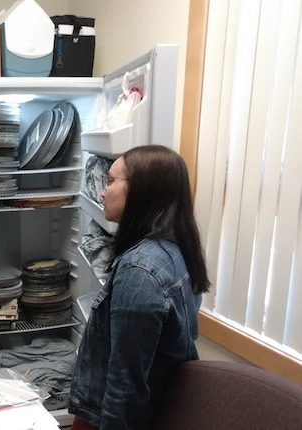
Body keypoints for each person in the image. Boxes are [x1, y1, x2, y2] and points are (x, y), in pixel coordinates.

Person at [68, 145, 210, 430]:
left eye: (110, 181)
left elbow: (124, 385)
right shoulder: (175, 248)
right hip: (159, 409)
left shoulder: (140, 270)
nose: (102, 192)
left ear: (141, 190)